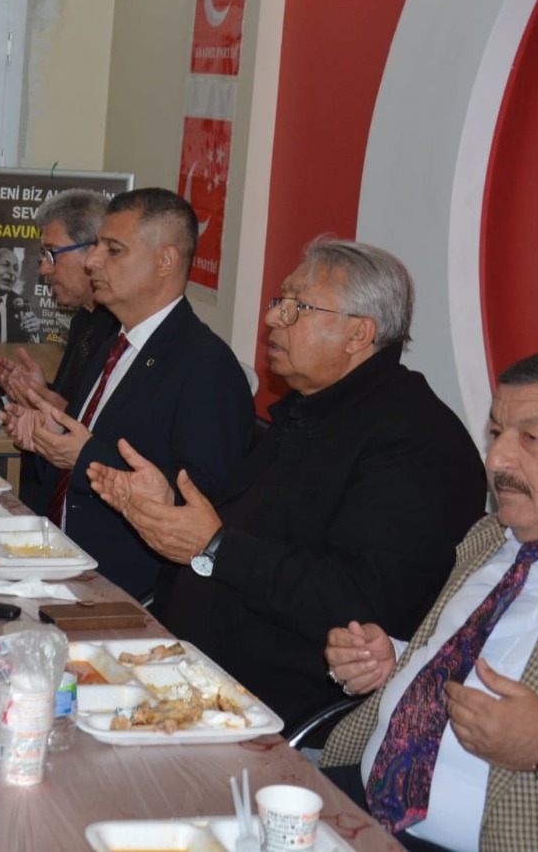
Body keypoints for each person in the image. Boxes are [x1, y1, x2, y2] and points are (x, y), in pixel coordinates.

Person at [87, 238, 487, 728]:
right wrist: (168, 508)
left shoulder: (416, 443)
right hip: (184, 666)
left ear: (358, 333)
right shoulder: (311, 407)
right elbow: (244, 529)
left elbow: (358, 604)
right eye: (281, 301)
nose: (272, 318)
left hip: (271, 709)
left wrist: (215, 546)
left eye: (297, 307)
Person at [318, 347, 538, 852]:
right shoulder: (487, 539)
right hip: (354, 797)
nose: (496, 460)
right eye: (496, 433)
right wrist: (394, 659)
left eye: (530, 438)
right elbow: (459, 655)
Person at [3, 187, 253, 598]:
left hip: (125, 592)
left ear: (165, 261)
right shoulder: (114, 343)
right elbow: (87, 446)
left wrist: (83, 456)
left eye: (114, 250)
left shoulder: (207, 365)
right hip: (59, 559)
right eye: (96, 246)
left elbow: (200, 504)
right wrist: (51, 435)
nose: (93, 261)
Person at [0, 189, 117, 410]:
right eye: (43, 255)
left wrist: (54, 407)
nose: (43, 269)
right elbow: (71, 406)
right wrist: (37, 393)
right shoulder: (83, 319)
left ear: (93, 251)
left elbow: (102, 424)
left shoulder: (122, 331)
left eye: (52, 254)